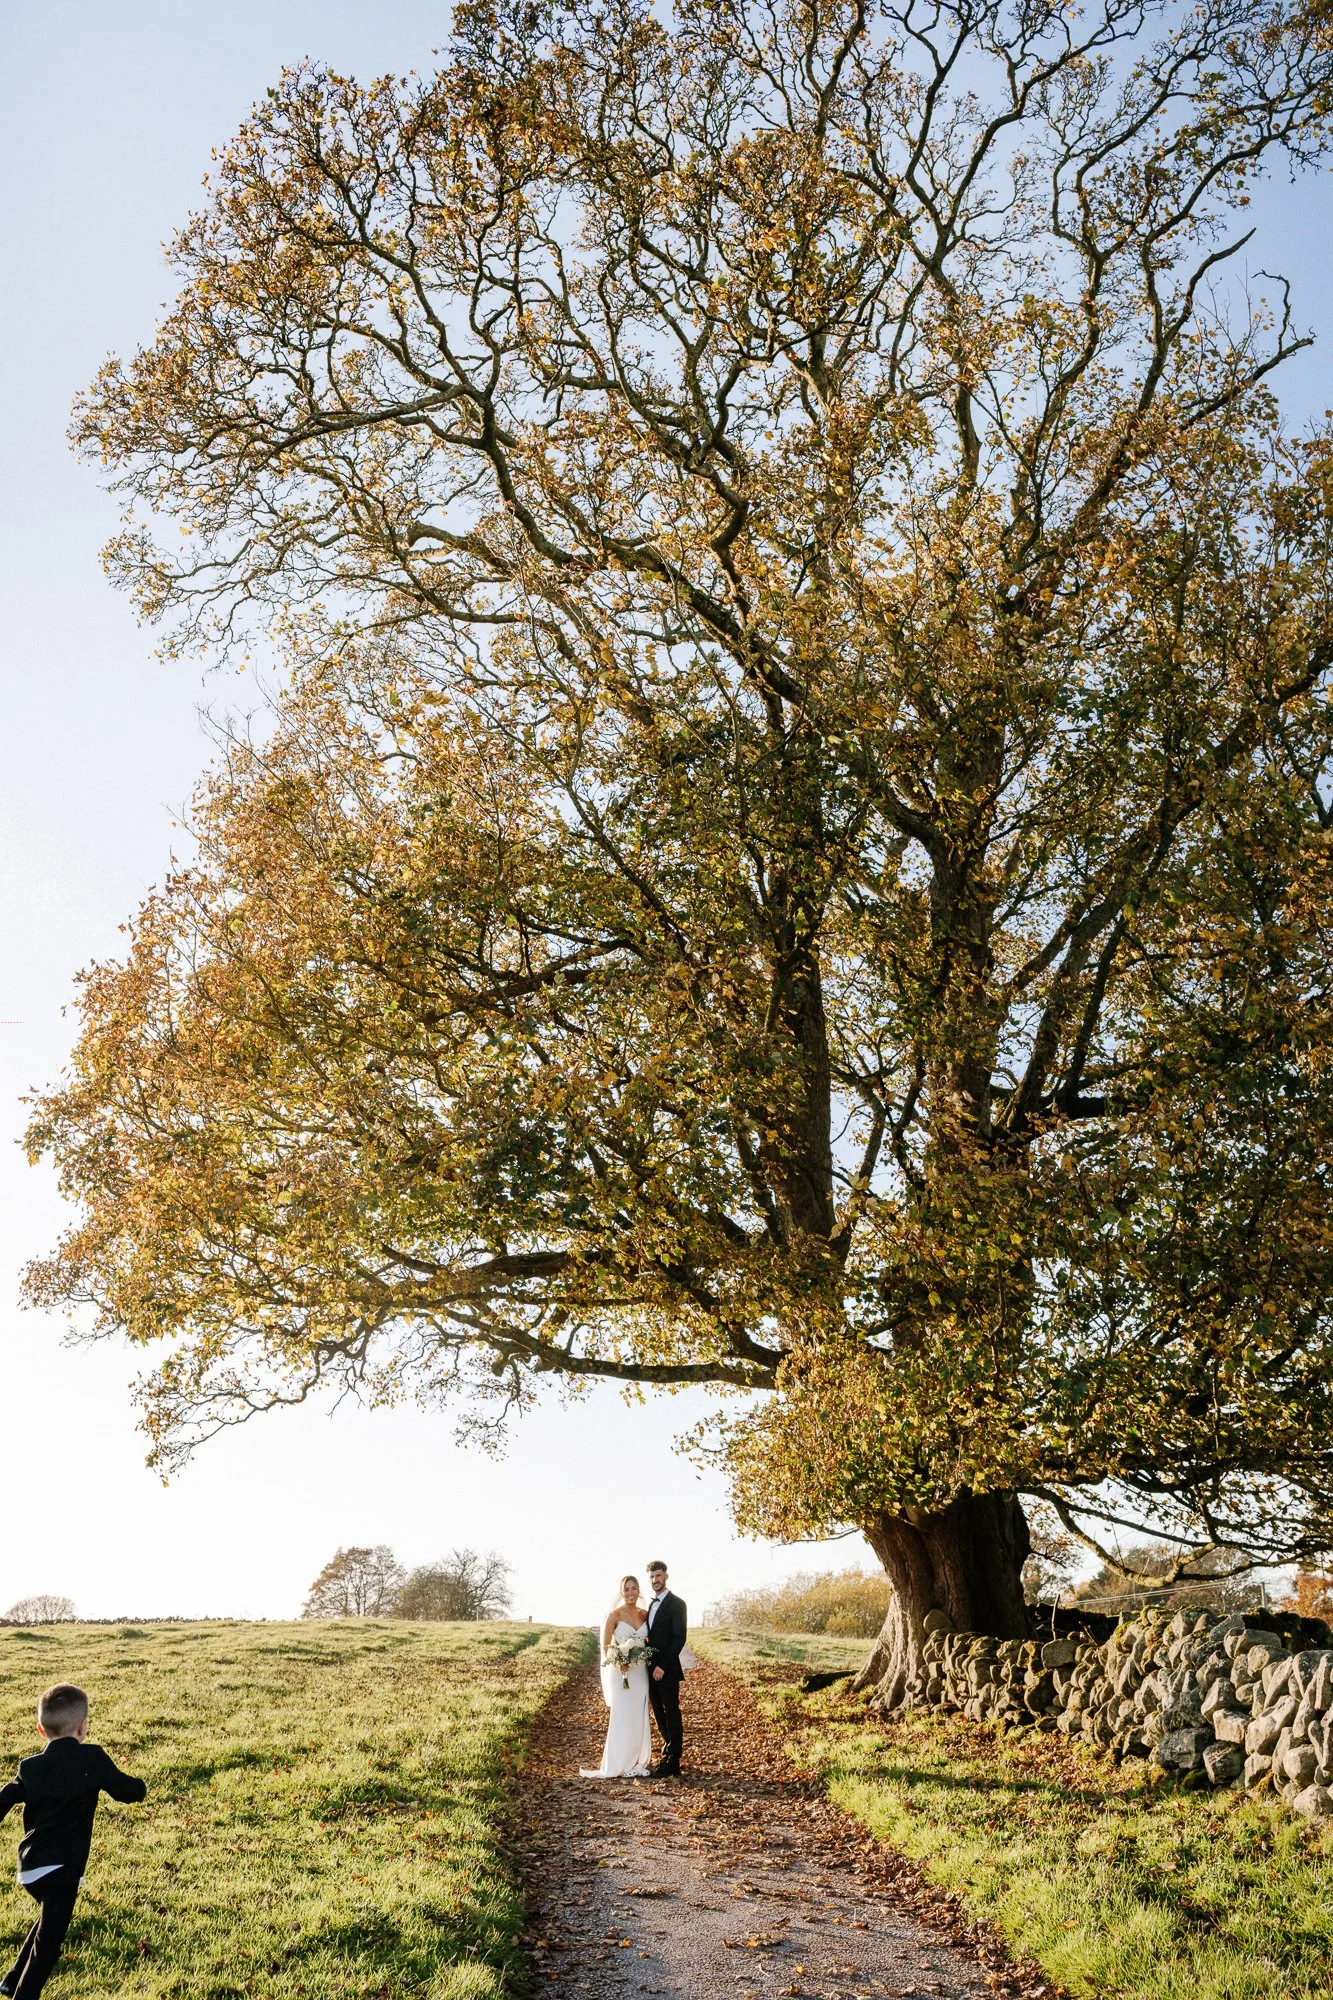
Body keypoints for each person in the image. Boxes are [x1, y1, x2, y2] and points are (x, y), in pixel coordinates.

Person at [0, 1683, 146, 1999]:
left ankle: (11, 1979)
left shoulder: (30, 1767)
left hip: (31, 1870)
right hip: (63, 1870)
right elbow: (125, 1790)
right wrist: (140, 1788)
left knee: (46, 1923)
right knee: (48, 1946)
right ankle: (22, 1993)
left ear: (41, 1729)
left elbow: (4, 1799)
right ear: (82, 1727)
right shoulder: (92, 1759)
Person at [580, 1575, 653, 1778]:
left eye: (634, 1588)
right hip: (621, 1672)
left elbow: (648, 1641)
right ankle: (619, 1761)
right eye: (626, 1589)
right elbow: (605, 1647)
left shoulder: (644, 1615)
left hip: (639, 1672)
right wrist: (620, 1659)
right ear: (621, 1593)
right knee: (622, 1715)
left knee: (638, 1713)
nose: (630, 1593)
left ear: (639, 1591)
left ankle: (637, 1760)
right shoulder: (614, 1616)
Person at [644, 1559, 686, 1778]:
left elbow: (679, 1638)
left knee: (671, 1712)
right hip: (649, 1670)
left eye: (658, 1575)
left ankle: (674, 1758)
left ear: (666, 1576)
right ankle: (666, 1753)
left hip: (666, 1669)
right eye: (651, 1576)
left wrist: (662, 1665)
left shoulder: (677, 1604)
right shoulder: (650, 1605)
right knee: (658, 1712)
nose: (655, 1580)